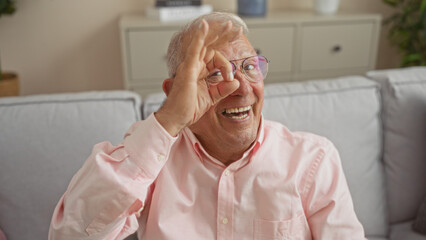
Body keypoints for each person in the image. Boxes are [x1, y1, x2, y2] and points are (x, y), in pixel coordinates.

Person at [49, 12, 366, 239]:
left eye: (248, 67)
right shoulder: (147, 158)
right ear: (174, 91)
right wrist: (170, 119)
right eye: (214, 74)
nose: (240, 88)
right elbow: (70, 235)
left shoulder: (313, 159)